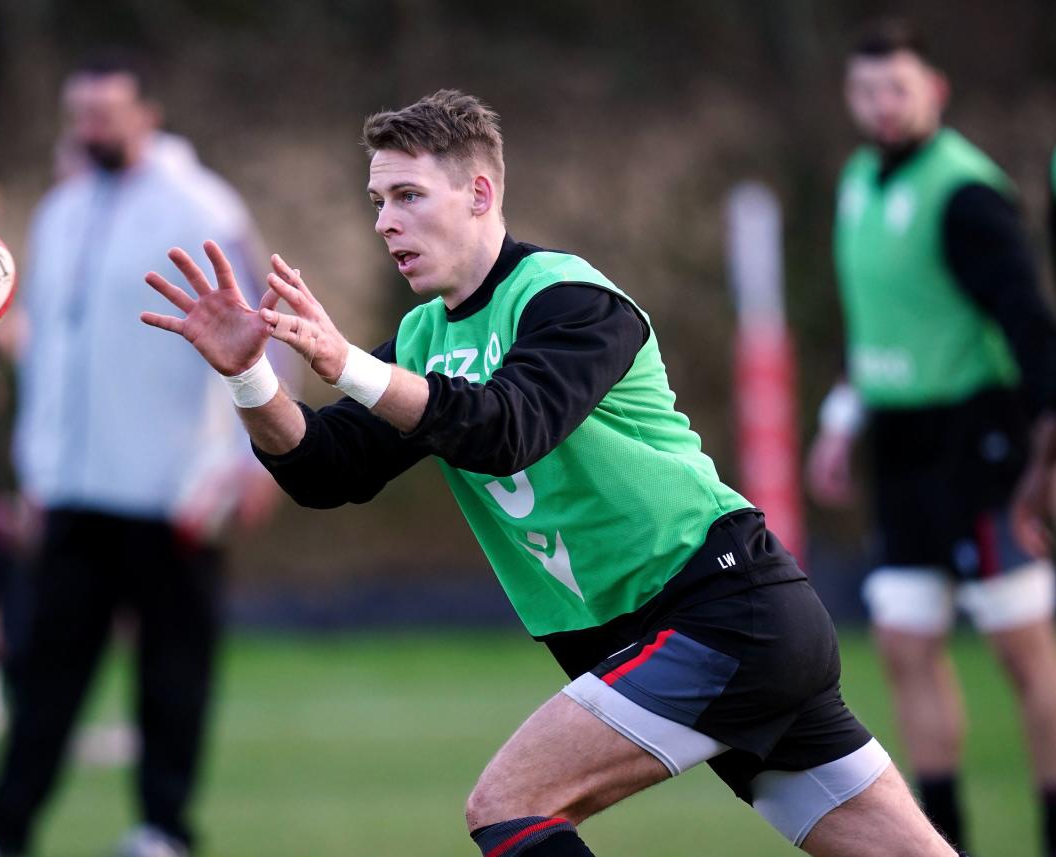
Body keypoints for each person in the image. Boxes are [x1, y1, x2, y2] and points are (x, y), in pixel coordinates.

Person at [141, 89, 954, 856]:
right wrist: (250, 377)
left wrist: (347, 362)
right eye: (378, 202)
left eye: (409, 197)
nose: (386, 223)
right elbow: (324, 470)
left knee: (509, 803)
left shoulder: (570, 299)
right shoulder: (424, 336)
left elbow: (507, 429)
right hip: (703, 633)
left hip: (724, 613)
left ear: (480, 194)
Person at [0, 55, 280, 857]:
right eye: (78, 114)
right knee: (45, 672)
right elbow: (54, 354)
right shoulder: (61, 211)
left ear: (147, 113)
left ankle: (162, 830)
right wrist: (36, 468)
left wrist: (253, 460)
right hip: (75, 490)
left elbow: (263, 333)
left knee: (172, 672)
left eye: (105, 114)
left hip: (174, 489)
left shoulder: (201, 206)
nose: (89, 130)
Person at [806, 19, 1056, 856]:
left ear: (934, 92)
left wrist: (1046, 433)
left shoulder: (966, 193)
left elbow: (1026, 318)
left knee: (1025, 653)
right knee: (908, 644)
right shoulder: (856, 182)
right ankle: (944, 842)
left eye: (897, 89)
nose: (881, 106)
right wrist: (843, 418)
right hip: (901, 447)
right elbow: (876, 318)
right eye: (866, 91)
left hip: (978, 438)